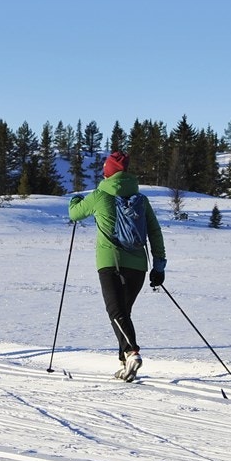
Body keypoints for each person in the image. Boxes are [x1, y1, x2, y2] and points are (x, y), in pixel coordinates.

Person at [68, 150, 166, 381]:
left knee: (116, 312)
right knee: (123, 313)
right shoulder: (141, 200)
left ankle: (132, 353)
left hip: (110, 264)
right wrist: (159, 266)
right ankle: (125, 362)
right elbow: (155, 232)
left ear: (107, 173)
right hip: (138, 267)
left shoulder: (100, 195)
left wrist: (74, 199)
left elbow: (74, 214)